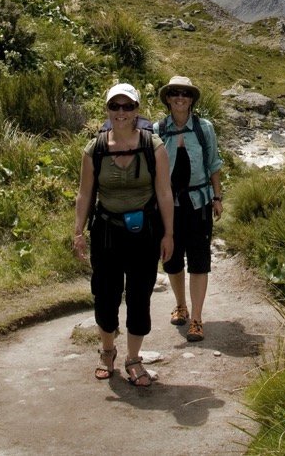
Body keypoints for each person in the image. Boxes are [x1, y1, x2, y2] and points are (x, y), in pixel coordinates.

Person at [73, 82, 174, 387]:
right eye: (114, 106)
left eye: (127, 106)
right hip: (107, 231)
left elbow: (164, 193)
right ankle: (107, 352)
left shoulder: (153, 147)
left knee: (140, 295)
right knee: (105, 293)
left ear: (136, 110)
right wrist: (78, 232)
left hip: (145, 231)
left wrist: (168, 234)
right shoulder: (95, 149)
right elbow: (85, 194)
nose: (121, 112)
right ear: (107, 110)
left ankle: (133, 358)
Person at [155, 76, 223, 343]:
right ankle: (180, 305)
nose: (180, 98)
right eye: (175, 93)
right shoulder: (158, 130)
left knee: (199, 260)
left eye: (185, 93)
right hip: (168, 204)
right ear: (168, 98)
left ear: (192, 99)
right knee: (171, 259)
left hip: (199, 202)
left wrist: (217, 197)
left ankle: (196, 318)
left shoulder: (204, 129)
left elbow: (214, 163)